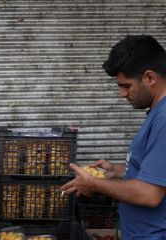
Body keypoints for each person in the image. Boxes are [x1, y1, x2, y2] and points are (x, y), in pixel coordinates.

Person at [61, 35, 166, 240]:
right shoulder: (157, 114)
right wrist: (119, 170)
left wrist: (94, 184)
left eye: (126, 86)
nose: (122, 94)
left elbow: (149, 194)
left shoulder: (164, 118)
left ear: (150, 78)